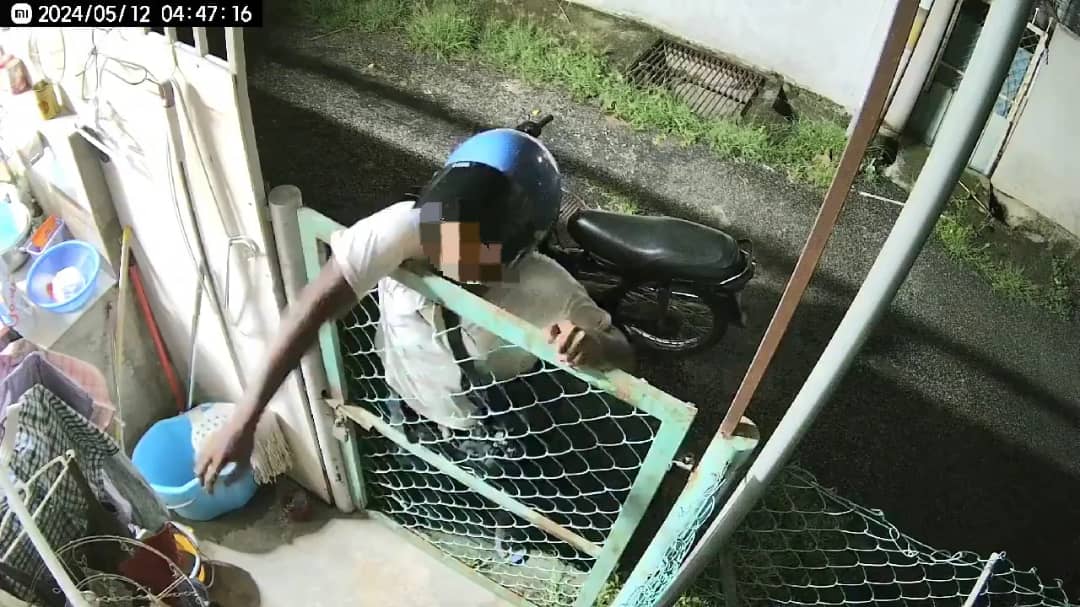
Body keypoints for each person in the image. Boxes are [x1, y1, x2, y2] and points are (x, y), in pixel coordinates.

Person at [196, 127, 635, 490]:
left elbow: (624, 352)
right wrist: (243, 419)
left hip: (480, 421)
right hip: (402, 392)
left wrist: (594, 346)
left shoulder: (547, 286)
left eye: (474, 269)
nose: (447, 271)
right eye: (437, 248)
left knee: (492, 483)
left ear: (520, 251)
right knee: (417, 464)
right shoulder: (407, 226)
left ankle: (505, 524)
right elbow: (308, 312)